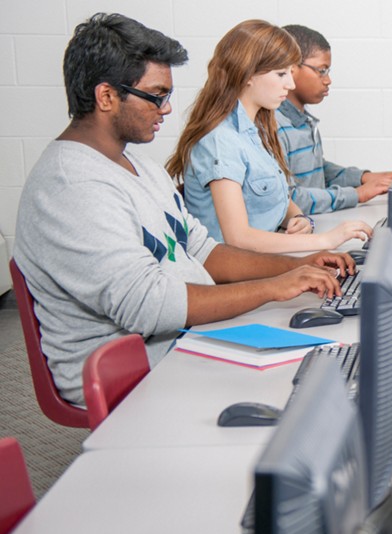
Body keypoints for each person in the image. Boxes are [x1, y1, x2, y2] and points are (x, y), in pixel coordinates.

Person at [14, 13, 354, 406]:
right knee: (305, 386)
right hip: (137, 364)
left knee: (326, 358)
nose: (168, 109)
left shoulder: (138, 166)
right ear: (106, 96)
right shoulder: (70, 187)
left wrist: (299, 267)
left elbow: (204, 250)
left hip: (182, 337)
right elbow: (150, 306)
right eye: (156, 96)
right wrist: (272, 288)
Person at [166, 19, 373, 253]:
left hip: (263, 258)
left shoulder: (256, 131)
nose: (290, 83)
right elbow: (238, 238)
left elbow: (278, 197)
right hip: (236, 274)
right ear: (247, 75)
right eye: (281, 74)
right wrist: (326, 240)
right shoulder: (221, 140)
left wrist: (300, 218)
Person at [276, 24, 392, 215]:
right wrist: (356, 194)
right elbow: (288, 198)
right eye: (321, 70)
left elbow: (317, 172)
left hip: (313, 221)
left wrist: (365, 178)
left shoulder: (303, 121)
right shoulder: (275, 127)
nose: (328, 80)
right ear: (291, 68)